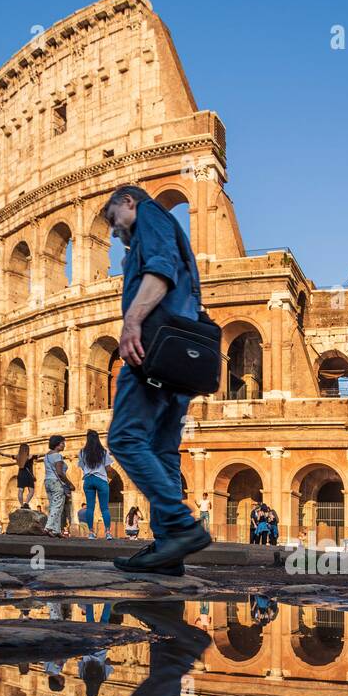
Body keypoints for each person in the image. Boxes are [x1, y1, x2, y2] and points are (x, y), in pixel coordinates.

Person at [103, 184, 211, 575]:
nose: (117, 233)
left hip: (152, 349)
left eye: (115, 221)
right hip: (178, 357)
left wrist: (132, 322)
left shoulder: (149, 215)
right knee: (163, 449)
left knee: (125, 438)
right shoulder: (163, 226)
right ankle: (169, 551)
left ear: (128, 202)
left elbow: (160, 270)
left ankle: (181, 526)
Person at [78, 429, 115, 540]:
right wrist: (109, 476)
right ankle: (108, 532)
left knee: (90, 508)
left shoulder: (82, 452)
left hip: (88, 480)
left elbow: (82, 467)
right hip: (101, 480)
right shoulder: (103, 452)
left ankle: (91, 533)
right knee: (104, 508)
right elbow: (108, 468)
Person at [44, 434, 74, 537]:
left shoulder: (47, 456)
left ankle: (56, 531)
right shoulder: (57, 456)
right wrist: (70, 484)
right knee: (57, 506)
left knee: (54, 506)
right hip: (56, 482)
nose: (64, 445)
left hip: (47, 481)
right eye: (62, 443)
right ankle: (48, 527)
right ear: (57, 444)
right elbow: (60, 473)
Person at [0, 442, 37, 507]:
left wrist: (3, 454)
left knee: (21, 490)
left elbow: (10, 455)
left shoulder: (18, 456)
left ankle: (22, 505)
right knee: (31, 490)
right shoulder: (30, 456)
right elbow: (41, 455)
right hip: (28, 475)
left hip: (21, 474)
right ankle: (26, 503)